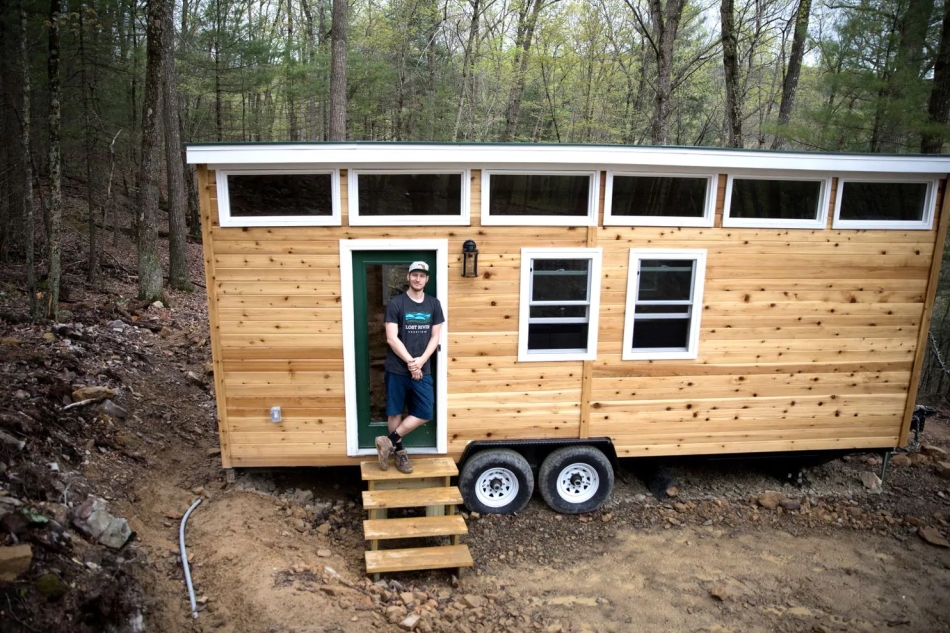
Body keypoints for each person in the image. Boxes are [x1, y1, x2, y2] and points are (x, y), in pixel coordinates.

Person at [375, 261, 444, 474]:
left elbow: (435, 337)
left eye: (422, 276)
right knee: (395, 412)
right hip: (397, 369)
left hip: (423, 369)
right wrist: (411, 362)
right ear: (408, 277)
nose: (417, 279)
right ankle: (400, 452)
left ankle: (388, 441)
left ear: (427, 279)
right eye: (414, 275)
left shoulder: (434, 304)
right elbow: (391, 338)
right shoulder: (396, 304)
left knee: (424, 411)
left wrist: (421, 361)